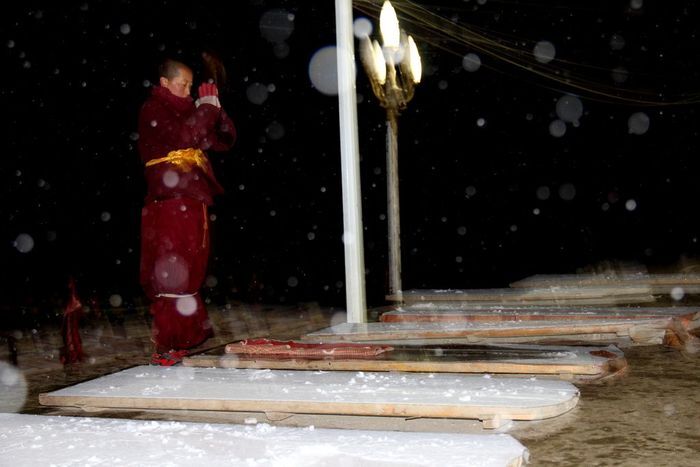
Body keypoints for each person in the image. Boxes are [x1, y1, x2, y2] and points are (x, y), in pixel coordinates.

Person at [137, 58, 236, 365]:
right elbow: (184, 137)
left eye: (191, 85)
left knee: (192, 267)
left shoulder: (190, 111)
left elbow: (221, 141)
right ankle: (165, 342)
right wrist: (204, 109)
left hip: (193, 198)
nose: (188, 89)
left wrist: (216, 109)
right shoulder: (152, 109)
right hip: (169, 201)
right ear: (165, 83)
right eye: (183, 84)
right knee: (171, 271)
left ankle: (185, 338)